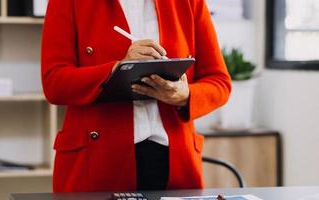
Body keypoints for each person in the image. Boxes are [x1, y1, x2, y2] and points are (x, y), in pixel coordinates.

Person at [41, 0, 231, 193]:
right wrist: (118, 68)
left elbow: (219, 82)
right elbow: (54, 83)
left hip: (175, 164)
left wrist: (184, 95)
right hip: (96, 162)